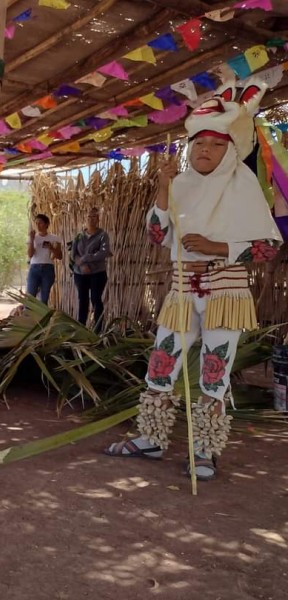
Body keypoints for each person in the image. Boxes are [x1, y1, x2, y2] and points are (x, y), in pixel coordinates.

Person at [104, 82, 282, 481]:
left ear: (232, 149)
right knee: (161, 363)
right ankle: (150, 438)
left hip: (226, 292)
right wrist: (164, 191)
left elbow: (268, 247)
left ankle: (205, 450)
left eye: (216, 144)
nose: (205, 150)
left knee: (214, 373)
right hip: (182, 289)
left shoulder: (244, 184)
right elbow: (155, 236)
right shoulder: (180, 182)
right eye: (199, 142)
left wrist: (218, 247)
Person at [71, 207, 111, 330]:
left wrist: (85, 259)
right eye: (89, 217)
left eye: (94, 217)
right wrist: (82, 265)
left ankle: (98, 328)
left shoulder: (103, 235)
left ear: (98, 219)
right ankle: (81, 328)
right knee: (82, 300)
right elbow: (73, 254)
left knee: (96, 299)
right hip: (80, 273)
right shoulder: (79, 236)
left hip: (97, 273)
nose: (91, 219)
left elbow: (103, 253)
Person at [26, 213, 62, 305]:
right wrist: (31, 239)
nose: (38, 225)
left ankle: (42, 318)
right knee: (30, 296)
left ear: (47, 224)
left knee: (44, 298)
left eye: (40, 223)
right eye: (36, 223)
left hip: (48, 268)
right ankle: (27, 318)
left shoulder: (54, 238)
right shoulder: (33, 237)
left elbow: (60, 256)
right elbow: (30, 254)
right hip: (34, 268)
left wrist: (52, 248)